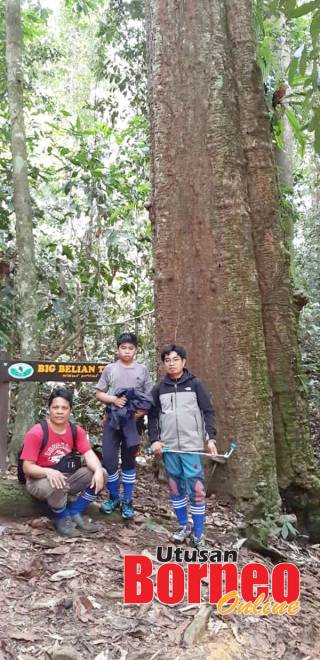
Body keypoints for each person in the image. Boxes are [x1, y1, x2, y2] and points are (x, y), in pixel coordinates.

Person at [148, 344, 217, 548]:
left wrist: (210, 438)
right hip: (169, 449)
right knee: (175, 488)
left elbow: (208, 412)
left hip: (191, 447)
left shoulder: (195, 384)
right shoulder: (159, 388)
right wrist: (154, 440)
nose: (171, 363)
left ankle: (198, 533)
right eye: (167, 360)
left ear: (183, 362)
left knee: (196, 489)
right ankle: (182, 526)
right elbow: (152, 417)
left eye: (175, 359)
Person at [21, 387, 106, 538]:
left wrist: (98, 471)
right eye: (55, 407)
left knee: (102, 473)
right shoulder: (37, 432)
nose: (59, 411)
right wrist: (48, 471)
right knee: (57, 482)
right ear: (49, 410)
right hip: (39, 480)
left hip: (67, 478)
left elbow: (88, 454)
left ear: (70, 410)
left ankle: (75, 512)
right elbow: (27, 467)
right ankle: (60, 517)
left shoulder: (76, 431)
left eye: (64, 408)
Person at [96, 332, 153, 520]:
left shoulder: (142, 370)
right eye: (123, 348)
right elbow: (99, 393)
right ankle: (114, 497)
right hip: (112, 421)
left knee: (129, 462)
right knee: (110, 460)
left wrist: (139, 413)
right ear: (118, 349)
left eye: (130, 348)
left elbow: (149, 397)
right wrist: (114, 400)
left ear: (136, 350)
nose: (127, 351)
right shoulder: (110, 369)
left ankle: (127, 500)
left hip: (133, 423)